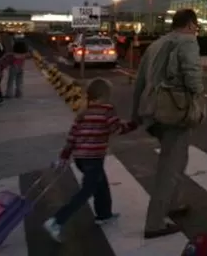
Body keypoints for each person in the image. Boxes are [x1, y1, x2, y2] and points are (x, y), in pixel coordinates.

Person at [131, 8, 204, 239]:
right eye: (196, 26)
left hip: (153, 111)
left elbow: (140, 80)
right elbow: (193, 77)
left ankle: (173, 202)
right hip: (174, 112)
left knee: (178, 158)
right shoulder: (187, 41)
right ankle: (155, 222)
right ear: (191, 24)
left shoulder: (156, 44)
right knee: (170, 166)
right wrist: (199, 99)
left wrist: (136, 113)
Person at [43, 78, 137, 242]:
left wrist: (64, 156)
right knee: (87, 190)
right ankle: (57, 221)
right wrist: (133, 125)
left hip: (80, 158)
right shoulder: (107, 109)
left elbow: (72, 136)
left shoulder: (83, 112)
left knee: (101, 185)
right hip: (94, 158)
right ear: (105, 95)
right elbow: (116, 128)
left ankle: (104, 214)